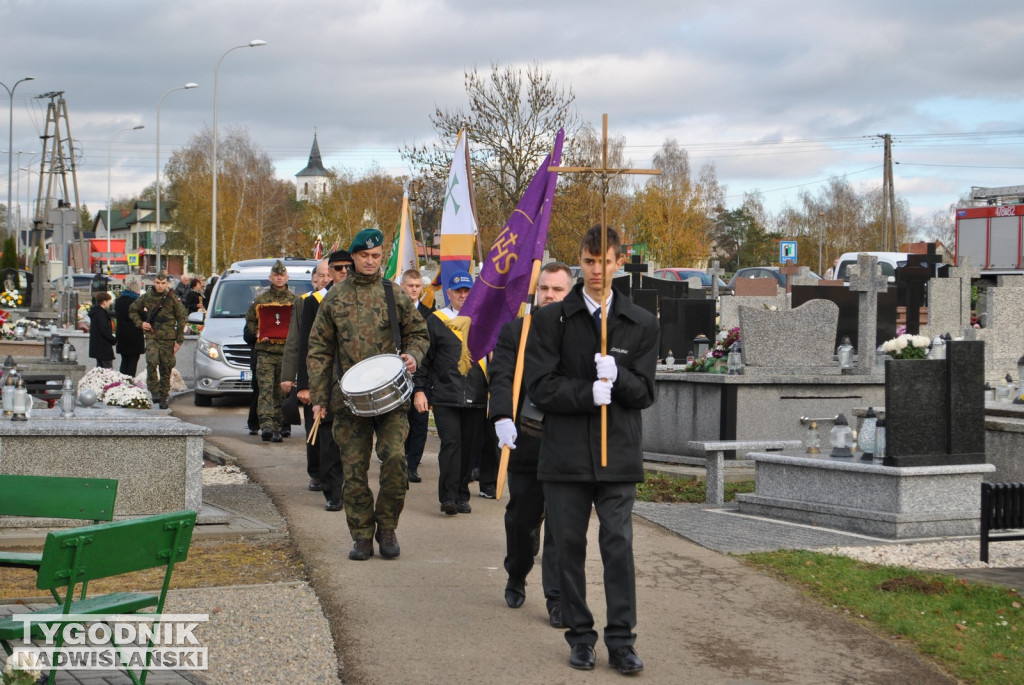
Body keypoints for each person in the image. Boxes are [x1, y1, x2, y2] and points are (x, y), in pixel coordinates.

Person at [526, 226, 659, 675]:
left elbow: (644, 393)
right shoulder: (551, 320)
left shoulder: (640, 323)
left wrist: (618, 377)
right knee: (567, 546)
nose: (596, 270)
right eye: (588, 261)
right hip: (565, 456)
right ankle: (580, 636)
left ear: (620, 261)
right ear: (579, 262)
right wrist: (587, 393)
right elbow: (540, 387)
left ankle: (621, 640)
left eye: (605, 261)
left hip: (617, 454)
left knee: (618, 545)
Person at [307, 229, 429, 560]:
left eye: (376, 256)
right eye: (365, 256)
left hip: (391, 399)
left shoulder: (394, 293)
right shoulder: (335, 297)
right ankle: (361, 535)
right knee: (353, 471)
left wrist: (413, 356)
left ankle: (387, 527)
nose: (371, 261)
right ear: (354, 258)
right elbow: (319, 348)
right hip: (348, 402)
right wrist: (318, 396)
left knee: (394, 460)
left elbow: (418, 332)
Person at [490, 261, 574, 628]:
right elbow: (502, 375)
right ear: (535, 291)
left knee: (561, 525)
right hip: (525, 440)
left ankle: (557, 598)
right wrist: (502, 416)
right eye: (545, 289)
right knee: (522, 521)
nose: (550, 295)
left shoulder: (582, 334)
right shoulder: (516, 331)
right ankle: (517, 572)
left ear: (570, 294)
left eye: (558, 290)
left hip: (568, 446)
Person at [412, 270, 489, 515]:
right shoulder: (436, 320)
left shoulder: (484, 321)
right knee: (451, 445)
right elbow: (425, 360)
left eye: (467, 291)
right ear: (449, 294)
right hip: (446, 395)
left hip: (476, 396)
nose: (463, 296)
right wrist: (420, 390)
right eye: (458, 292)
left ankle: (462, 494)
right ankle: (448, 496)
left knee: (468, 448)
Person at [281, 261, 329, 486]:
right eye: (322, 275)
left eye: (330, 274)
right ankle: (317, 472)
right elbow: (296, 340)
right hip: (313, 373)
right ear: (315, 279)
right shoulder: (307, 303)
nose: (326, 279)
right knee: (314, 425)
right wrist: (291, 377)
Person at [245, 260, 299, 443]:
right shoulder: (260, 300)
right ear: (270, 277)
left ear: (287, 277)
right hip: (265, 352)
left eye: (281, 275)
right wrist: (258, 332)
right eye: (276, 275)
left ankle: (278, 427)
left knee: (281, 392)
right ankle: (267, 425)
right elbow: (250, 322)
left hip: (286, 353)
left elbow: (300, 324)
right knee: (265, 390)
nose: (278, 278)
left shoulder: (295, 301)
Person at [129, 271, 188, 409]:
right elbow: (132, 310)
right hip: (152, 335)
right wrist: (141, 323)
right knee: (151, 362)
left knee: (166, 368)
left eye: (163, 283)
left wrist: (179, 340)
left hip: (168, 338)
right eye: (157, 283)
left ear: (167, 283)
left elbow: (181, 318)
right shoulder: (147, 297)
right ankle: (154, 391)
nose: (160, 286)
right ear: (153, 283)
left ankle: (163, 397)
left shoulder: (172, 298)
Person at [400, 268, 433, 483]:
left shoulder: (430, 314)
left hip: (423, 373)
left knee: (420, 421)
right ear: (402, 286)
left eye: (417, 286)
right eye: (410, 285)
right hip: (398, 376)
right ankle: (398, 460)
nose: (414, 289)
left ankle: (412, 465)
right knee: (400, 420)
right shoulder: (394, 311)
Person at [113, 278, 145, 376]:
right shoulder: (137, 302)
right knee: (133, 361)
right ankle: (130, 383)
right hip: (134, 335)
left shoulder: (118, 301)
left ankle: (122, 383)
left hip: (122, 335)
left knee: (124, 360)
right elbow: (144, 317)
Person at [88, 291, 116, 369]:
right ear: (104, 302)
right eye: (108, 301)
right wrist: (114, 340)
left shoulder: (96, 312)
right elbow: (104, 330)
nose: (109, 303)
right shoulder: (101, 314)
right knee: (107, 371)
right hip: (104, 347)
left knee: (100, 370)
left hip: (98, 347)